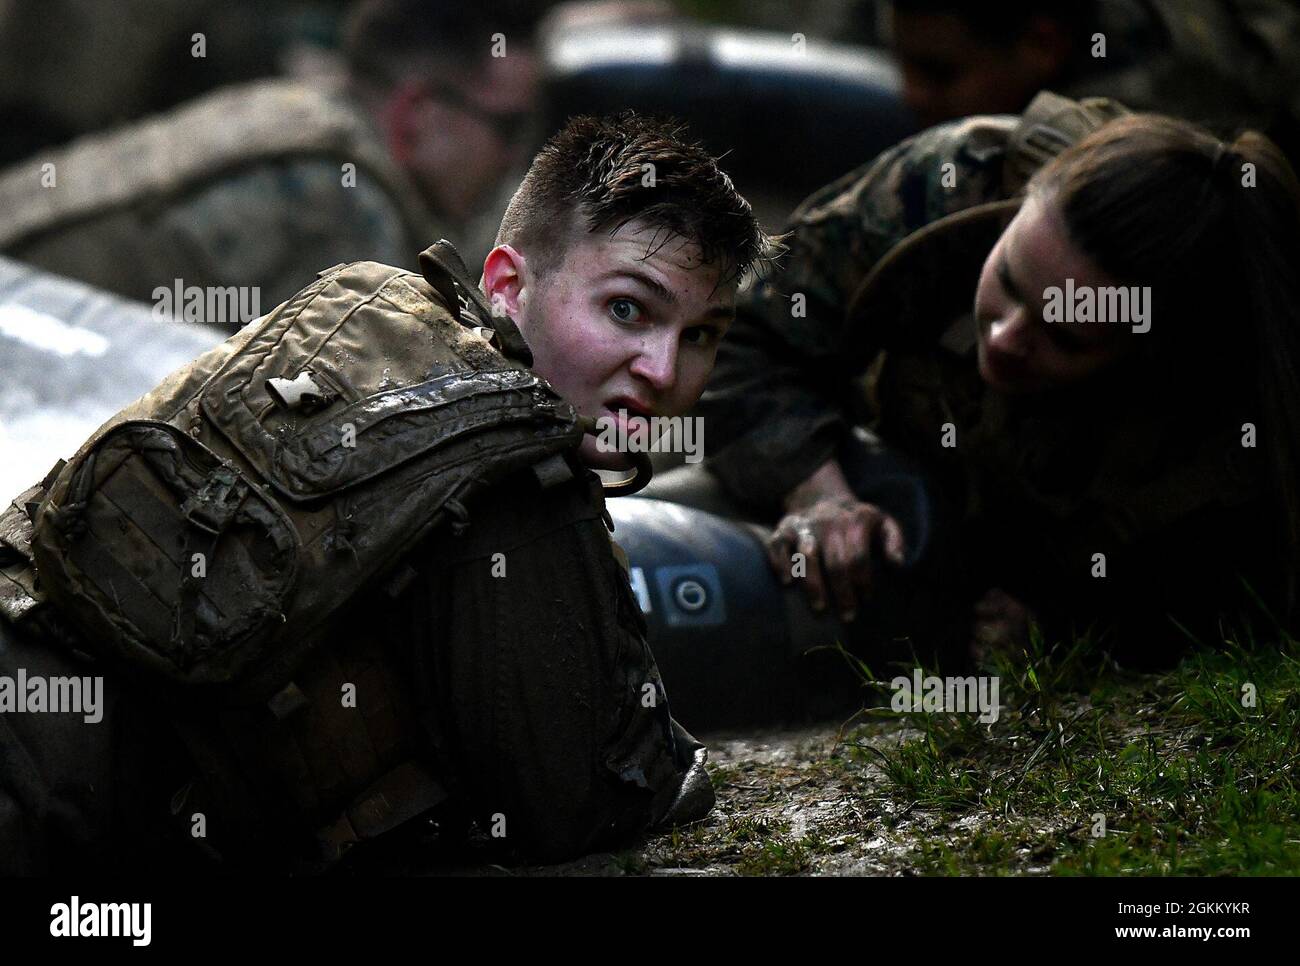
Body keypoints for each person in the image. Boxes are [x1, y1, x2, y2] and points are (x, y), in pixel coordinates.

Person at [0, 111, 772, 873]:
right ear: (507, 285)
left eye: (700, 335)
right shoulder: (514, 467)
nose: (663, 371)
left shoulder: (363, 309)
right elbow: (576, 805)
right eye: (627, 310)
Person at [681, 90, 1300, 666]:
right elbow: (738, 334)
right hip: (873, 462)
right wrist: (816, 491)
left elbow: (1221, 603)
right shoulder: (952, 182)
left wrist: (1066, 628)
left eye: (1063, 336)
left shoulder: (1233, 415)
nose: (1003, 339)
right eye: (1007, 279)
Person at [0, 0, 542, 323]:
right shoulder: (344, 201)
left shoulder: (293, 112)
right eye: (508, 127)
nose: (512, 158)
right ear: (416, 115)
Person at [871, 0, 1300, 158]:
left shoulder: (1145, 137)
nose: (910, 94)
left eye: (938, 73)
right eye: (899, 61)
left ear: (1042, 45)